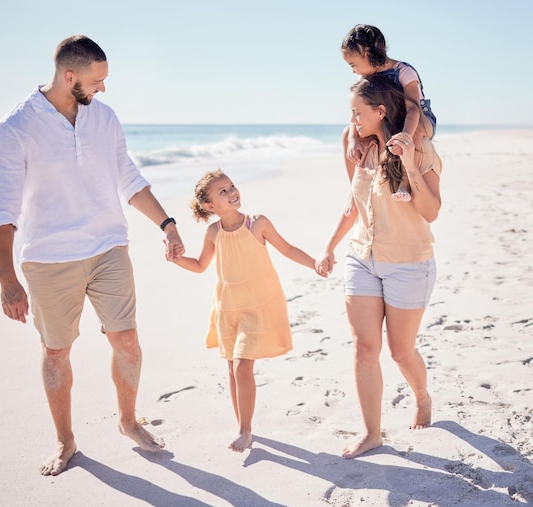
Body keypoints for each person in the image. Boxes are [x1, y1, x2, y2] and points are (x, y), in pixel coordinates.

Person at [0, 35, 185, 476]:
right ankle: (66, 440)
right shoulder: (16, 126)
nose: (103, 89)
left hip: (108, 246)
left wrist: (167, 224)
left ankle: (129, 421)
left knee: (127, 341)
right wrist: (6, 279)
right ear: (69, 76)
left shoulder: (105, 118)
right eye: (97, 80)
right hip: (50, 258)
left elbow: (127, 177)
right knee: (57, 351)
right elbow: (2, 210)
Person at [315, 74, 442, 459]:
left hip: (409, 263)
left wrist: (408, 165)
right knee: (364, 347)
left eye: (358, 112)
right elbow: (353, 203)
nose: (352, 120)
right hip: (362, 257)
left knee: (401, 352)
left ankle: (422, 396)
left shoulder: (420, 147)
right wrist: (330, 247)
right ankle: (372, 433)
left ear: (381, 111)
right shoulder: (354, 145)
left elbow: (432, 212)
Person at [168, 169, 322, 452]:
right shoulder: (213, 232)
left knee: (242, 365)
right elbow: (201, 265)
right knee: (231, 367)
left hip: (259, 303)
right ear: (209, 206)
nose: (232, 192)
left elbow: (287, 249)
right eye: (222, 192)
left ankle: (245, 430)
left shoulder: (257, 223)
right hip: (228, 305)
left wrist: (315, 263)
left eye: (231, 186)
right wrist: (177, 260)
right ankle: (243, 423)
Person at [340, 24, 437, 201]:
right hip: (390, 121)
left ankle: (405, 183)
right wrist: (354, 139)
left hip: (418, 119)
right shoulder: (364, 78)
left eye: (353, 65)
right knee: (347, 134)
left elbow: (414, 108)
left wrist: (406, 136)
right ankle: (354, 191)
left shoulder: (404, 72)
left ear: (367, 55)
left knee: (416, 130)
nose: (353, 70)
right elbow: (357, 111)